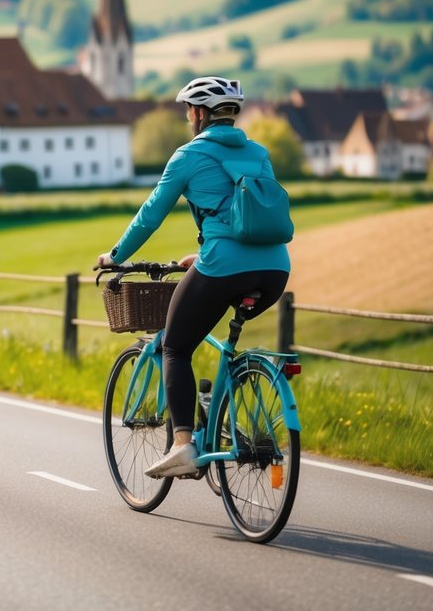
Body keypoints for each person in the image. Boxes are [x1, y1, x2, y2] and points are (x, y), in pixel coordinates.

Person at [97, 76, 290, 478]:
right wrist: (202, 254)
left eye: (189, 110)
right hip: (275, 270)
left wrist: (114, 256)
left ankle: (184, 444)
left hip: (223, 265)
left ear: (200, 113)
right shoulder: (259, 153)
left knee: (175, 346)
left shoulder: (187, 155)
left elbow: (151, 214)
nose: (187, 117)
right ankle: (220, 416)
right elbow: (248, 215)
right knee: (224, 344)